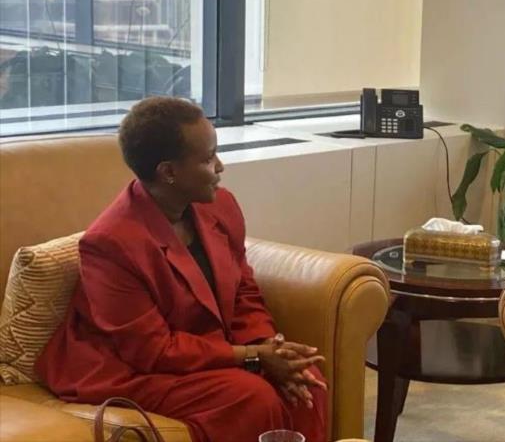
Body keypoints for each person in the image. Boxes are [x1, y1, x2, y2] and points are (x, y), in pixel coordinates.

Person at [36, 97, 328, 442]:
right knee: (251, 398)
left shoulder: (221, 207)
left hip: (204, 349)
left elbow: (243, 291)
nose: (220, 167)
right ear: (169, 172)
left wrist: (270, 347)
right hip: (130, 367)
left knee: (308, 379)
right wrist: (252, 358)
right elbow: (151, 350)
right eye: (207, 158)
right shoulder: (111, 244)